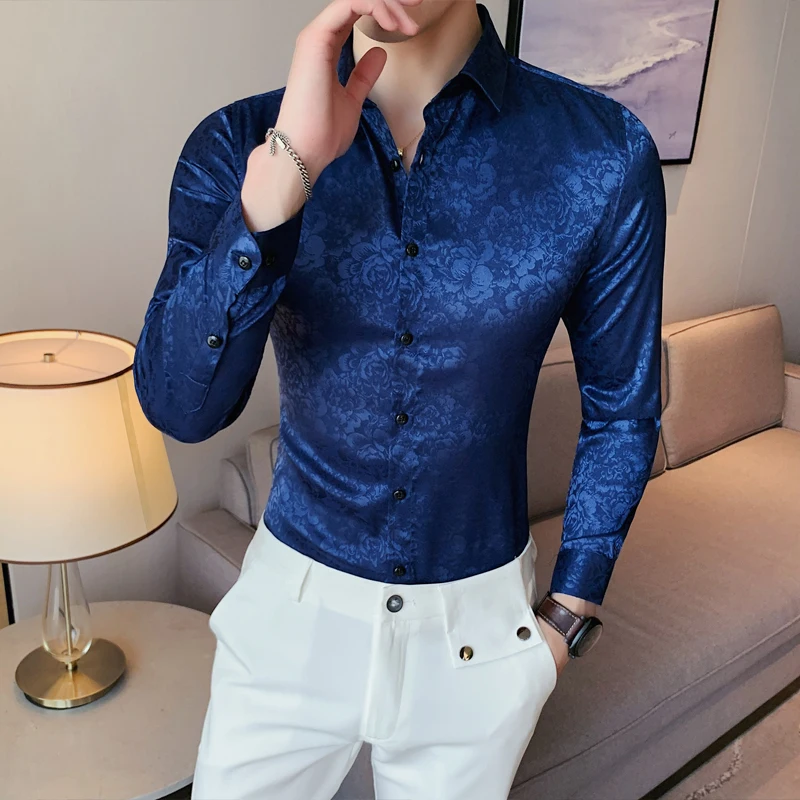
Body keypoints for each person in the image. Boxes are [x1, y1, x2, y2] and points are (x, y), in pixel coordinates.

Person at [132, 0, 666, 797]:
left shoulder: (602, 153)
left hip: (479, 638)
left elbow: (622, 408)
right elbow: (182, 408)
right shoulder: (235, 143)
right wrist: (273, 195)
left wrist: (568, 617)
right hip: (289, 620)